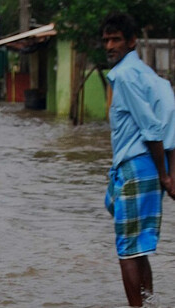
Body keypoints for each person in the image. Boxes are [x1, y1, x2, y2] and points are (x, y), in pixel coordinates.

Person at [101, 12, 175, 307]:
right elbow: (169, 120)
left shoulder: (126, 75)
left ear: (131, 42)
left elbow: (152, 127)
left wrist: (166, 175)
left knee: (127, 251)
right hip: (143, 168)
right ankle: (149, 304)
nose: (109, 46)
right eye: (105, 40)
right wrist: (168, 173)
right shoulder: (151, 76)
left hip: (138, 167)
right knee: (138, 248)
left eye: (115, 39)